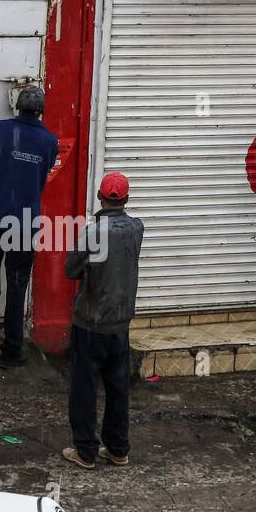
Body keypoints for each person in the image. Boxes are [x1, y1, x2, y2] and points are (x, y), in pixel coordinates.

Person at [0, 84, 59, 367]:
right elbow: (42, 174)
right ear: (41, 112)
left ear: (17, 106)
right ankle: (12, 351)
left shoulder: (1, 130)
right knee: (17, 286)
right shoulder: (49, 141)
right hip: (23, 224)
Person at [61, 172, 144, 470]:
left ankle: (85, 451)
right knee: (118, 387)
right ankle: (118, 449)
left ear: (100, 197)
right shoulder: (137, 228)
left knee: (84, 387)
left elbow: (71, 269)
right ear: (126, 199)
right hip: (120, 323)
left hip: (90, 322)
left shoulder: (93, 231)